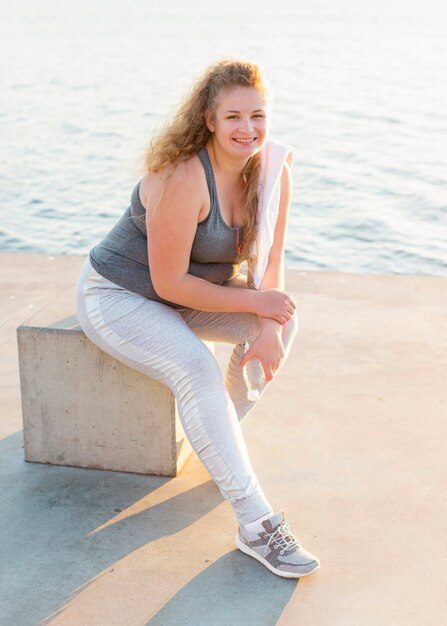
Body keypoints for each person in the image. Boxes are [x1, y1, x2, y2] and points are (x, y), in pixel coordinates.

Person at [75, 58, 320, 579]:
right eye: (233, 117)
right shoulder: (184, 175)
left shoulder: (272, 170)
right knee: (197, 368)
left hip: (188, 294)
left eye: (257, 115)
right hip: (119, 295)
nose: (247, 129)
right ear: (209, 120)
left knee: (282, 322)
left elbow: (271, 267)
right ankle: (256, 525)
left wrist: (270, 324)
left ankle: (221, 442)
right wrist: (258, 305)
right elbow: (168, 284)